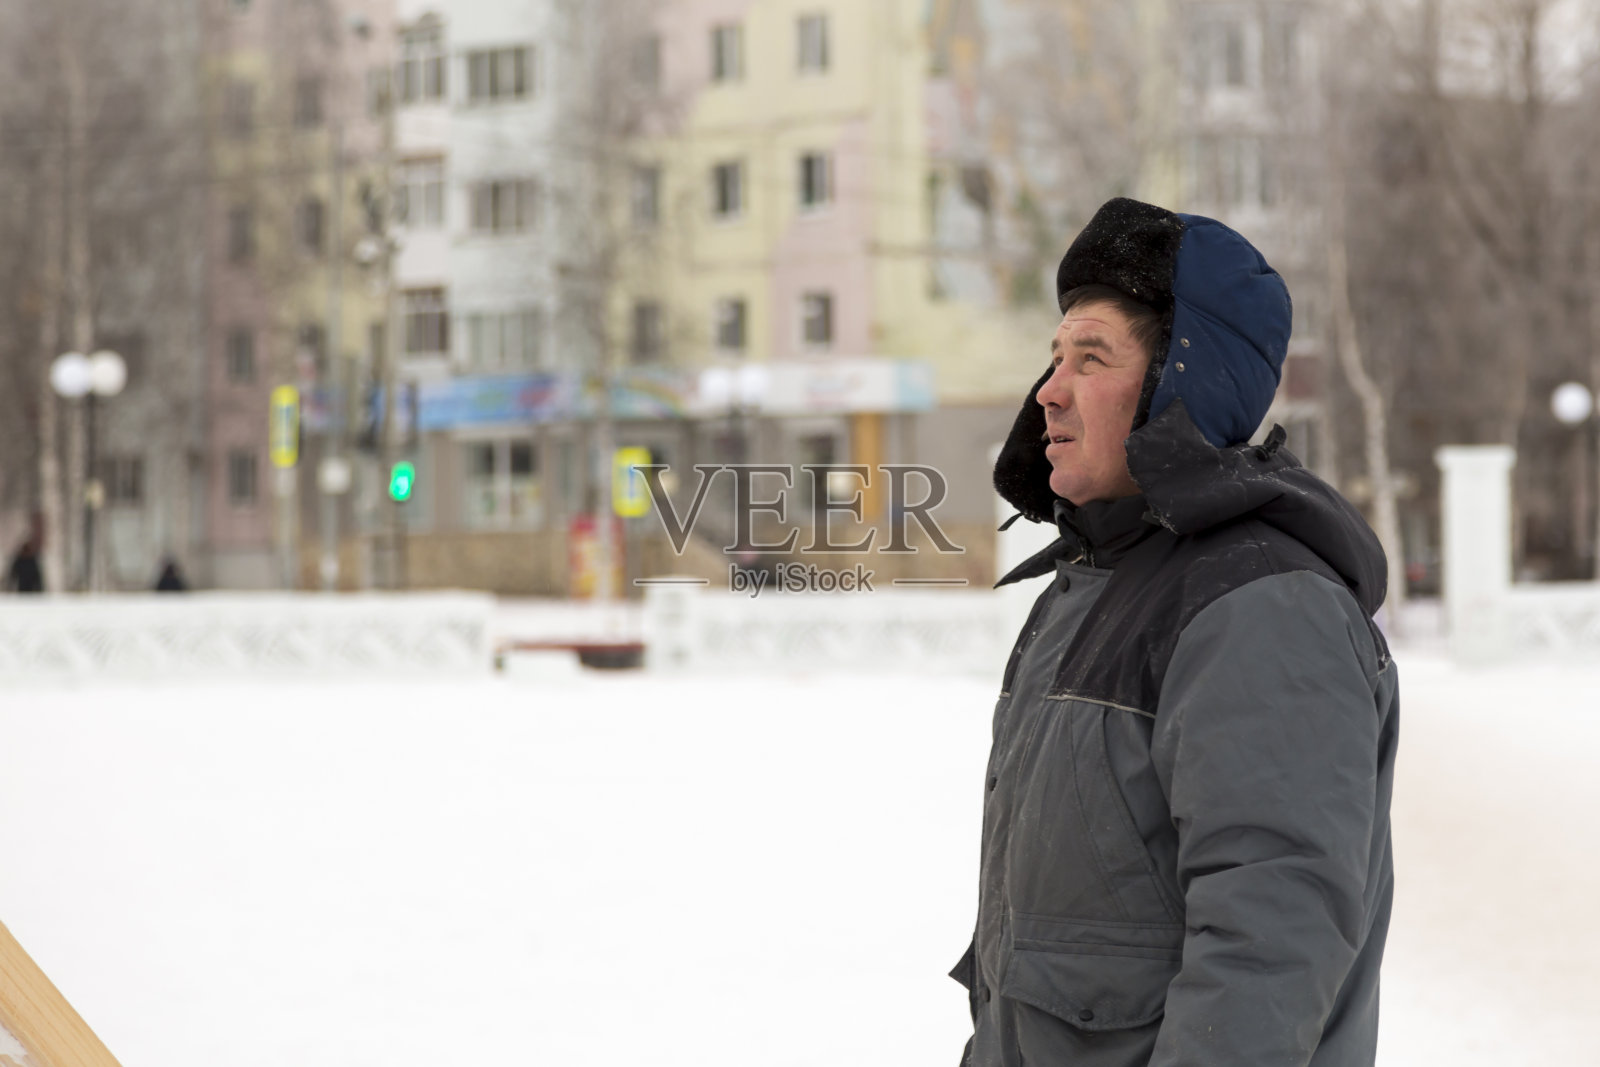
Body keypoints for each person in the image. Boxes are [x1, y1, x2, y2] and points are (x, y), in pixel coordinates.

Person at [951, 198, 1399, 1067]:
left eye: (1092, 358)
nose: (1050, 390)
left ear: (1179, 382)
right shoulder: (1098, 585)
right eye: (1053, 357)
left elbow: (1267, 946)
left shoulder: (1262, 605)